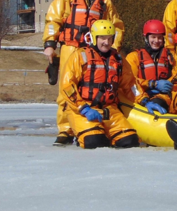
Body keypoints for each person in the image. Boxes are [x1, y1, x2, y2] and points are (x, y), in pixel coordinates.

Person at [43, 0, 124, 146]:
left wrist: (115, 48)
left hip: (94, 52)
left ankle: (91, 126)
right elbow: (52, 21)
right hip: (70, 48)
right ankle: (65, 130)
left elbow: (116, 26)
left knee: (94, 89)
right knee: (67, 90)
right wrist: (49, 44)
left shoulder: (105, 2)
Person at [59, 20, 138, 149]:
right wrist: (83, 108)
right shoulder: (80, 56)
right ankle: (84, 136)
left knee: (130, 141)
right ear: (94, 38)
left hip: (110, 110)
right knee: (95, 142)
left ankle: (107, 134)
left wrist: (145, 100)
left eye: (109, 38)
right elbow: (67, 86)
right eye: (102, 38)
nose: (106, 42)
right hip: (83, 109)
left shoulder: (118, 59)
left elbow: (130, 85)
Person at [121, 20, 176, 114]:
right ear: (146, 38)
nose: (156, 41)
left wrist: (169, 84)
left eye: (159, 38)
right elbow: (131, 81)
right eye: (153, 37)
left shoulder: (170, 56)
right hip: (141, 95)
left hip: (163, 96)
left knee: (160, 102)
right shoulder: (134, 57)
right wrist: (152, 84)